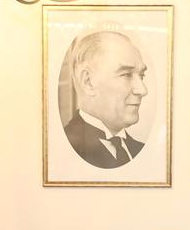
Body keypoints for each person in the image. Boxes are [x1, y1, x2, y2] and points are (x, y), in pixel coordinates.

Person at [62, 30, 148, 169]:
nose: (143, 90)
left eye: (141, 76)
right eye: (126, 75)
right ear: (88, 82)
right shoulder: (60, 152)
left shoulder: (145, 153)